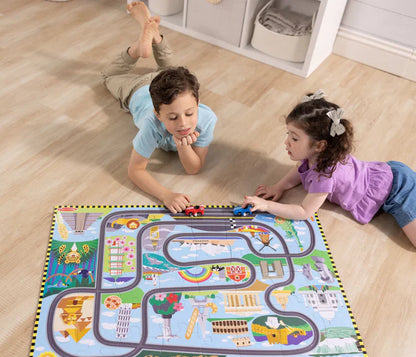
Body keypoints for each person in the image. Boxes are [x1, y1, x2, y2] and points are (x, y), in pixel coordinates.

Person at [243, 90, 416, 248]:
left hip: (398, 190)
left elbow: (304, 211)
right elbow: (300, 169)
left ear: (320, 145)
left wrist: (267, 206)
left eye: (294, 138)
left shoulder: (324, 175)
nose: (286, 142)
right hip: (387, 174)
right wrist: (279, 186)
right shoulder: (319, 154)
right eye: (288, 134)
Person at [102, 1, 217, 213]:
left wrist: (183, 145)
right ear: (158, 114)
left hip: (165, 84)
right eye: (172, 118)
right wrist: (166, 195)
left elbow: (194, 168)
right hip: (136, 89)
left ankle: (154, 36)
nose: (183, 123)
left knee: (172, 71)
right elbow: (135, 170)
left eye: (190, 113)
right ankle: (138, 48)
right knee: (109, 76)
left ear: (198, 104)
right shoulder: (151, 124)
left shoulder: (207, 118)